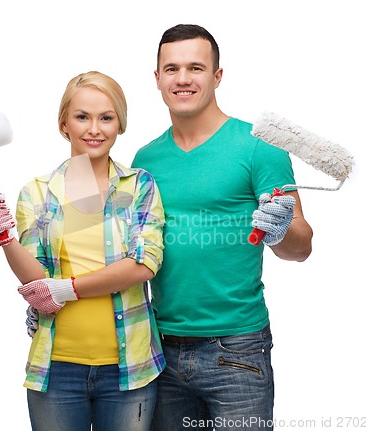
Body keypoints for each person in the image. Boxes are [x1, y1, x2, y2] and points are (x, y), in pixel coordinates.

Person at [131, 24, 313, 430]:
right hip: (158, 348)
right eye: (171, 68)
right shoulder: (145, 158)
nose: (182, 79)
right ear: (157, 78)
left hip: (237, 351)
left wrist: (280, 228)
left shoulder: (258, 146)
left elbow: (300, 248)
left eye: (196, 67)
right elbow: (130, 248)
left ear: (217, 76)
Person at [0, 71, 166, 431]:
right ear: (64, 123)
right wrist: (3, 238)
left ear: (119, 124)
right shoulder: (37, 193)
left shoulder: (139, 185)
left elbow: (144, 264)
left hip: (130, 371)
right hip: (56, 369)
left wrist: (66, 289)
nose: (94, 128)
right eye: (82, 117)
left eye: (106, 117)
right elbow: (37, 283)